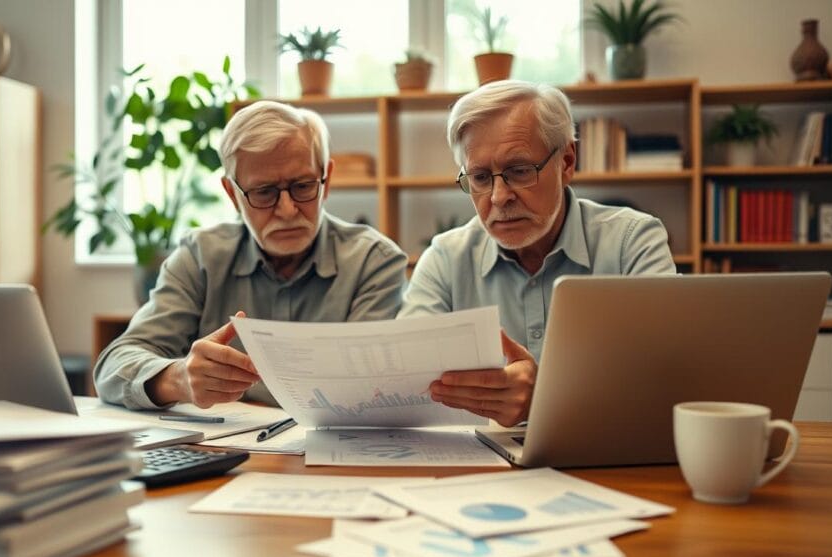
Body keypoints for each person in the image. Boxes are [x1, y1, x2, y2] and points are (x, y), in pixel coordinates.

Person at [95, 100, 408, 410]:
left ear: (326, 180)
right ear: (232, 194)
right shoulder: (200, 256)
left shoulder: (375, 263)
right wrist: (180, 379)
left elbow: (367, 389)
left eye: (302, 186)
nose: (287, 210)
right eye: (264, 192)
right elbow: (115, 364)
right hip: (224, 452)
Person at [400, 80, 676, 427]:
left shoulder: (632, 242)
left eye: (519, 171)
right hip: (480, 469)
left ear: (567, 162)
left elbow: (668, 381)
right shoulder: (445, 258)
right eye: (481, 178)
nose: (499, 197)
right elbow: (405, 386)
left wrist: (543, 399)